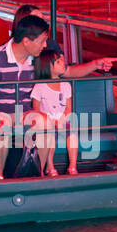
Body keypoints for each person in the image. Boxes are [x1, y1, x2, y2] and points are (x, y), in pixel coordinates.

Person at [0, 14, 51, 180]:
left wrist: (95, 65)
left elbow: (66, 71)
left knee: (44, 122)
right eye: (41, 41)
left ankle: (39, 173)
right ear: (26, 41)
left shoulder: (39, 60)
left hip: (25, 114)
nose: (45, 45)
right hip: (2, 113)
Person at [11, 3, 117, 79]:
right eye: (36, 20)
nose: (41, 23)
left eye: (42, 20)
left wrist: (95, 64)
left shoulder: (50, 45)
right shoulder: (7, 52)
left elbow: (67, 71)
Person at [30, 48, 77, 177]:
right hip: (47, 122)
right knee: (48, 135)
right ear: (48, 66)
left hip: (62, 120)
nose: (63, 63)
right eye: (58, 61)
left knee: (72, 133)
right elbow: (36, 110)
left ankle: (72, 165)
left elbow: (68, 108)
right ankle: (49, 166)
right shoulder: (39, 87)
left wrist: (62, 119)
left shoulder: (66, 85)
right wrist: (50, 121)